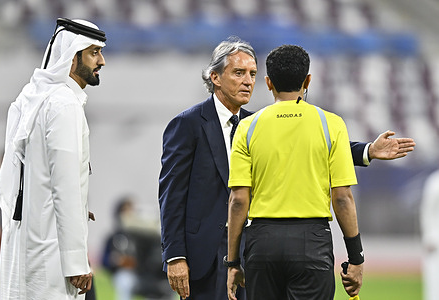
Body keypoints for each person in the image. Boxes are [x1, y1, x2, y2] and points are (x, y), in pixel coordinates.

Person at [158, 37, 414, 300]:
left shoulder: (253, 124)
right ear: (215, 77)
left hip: (252, 254)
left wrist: (368, 150)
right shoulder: (187, 125)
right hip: (206, 259)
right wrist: (175, 256)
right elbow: (171, 195)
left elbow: (312, 144)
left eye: (253, 74)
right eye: (238, 73)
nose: (248, 81)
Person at [226, 44, 363, 300]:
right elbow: (342, 197)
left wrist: (232, 262)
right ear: (307, 79)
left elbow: (238, 200)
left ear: (268, 82)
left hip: (261, 242)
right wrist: (356, 257)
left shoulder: (247, 127)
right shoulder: (331, 124)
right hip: (312, 241)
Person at [0, 18, 106, 299]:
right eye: (94, 52)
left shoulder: (33, 97)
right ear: (72, 57)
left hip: (26, 239)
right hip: (51, 253)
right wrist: (76, 262)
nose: (102, 61)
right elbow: (65, 187)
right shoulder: (63, 104)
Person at [420, 168, 439, 300]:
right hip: (436, 242)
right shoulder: (434, 182)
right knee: (434, 283)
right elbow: (426, 210)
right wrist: (428, 237)